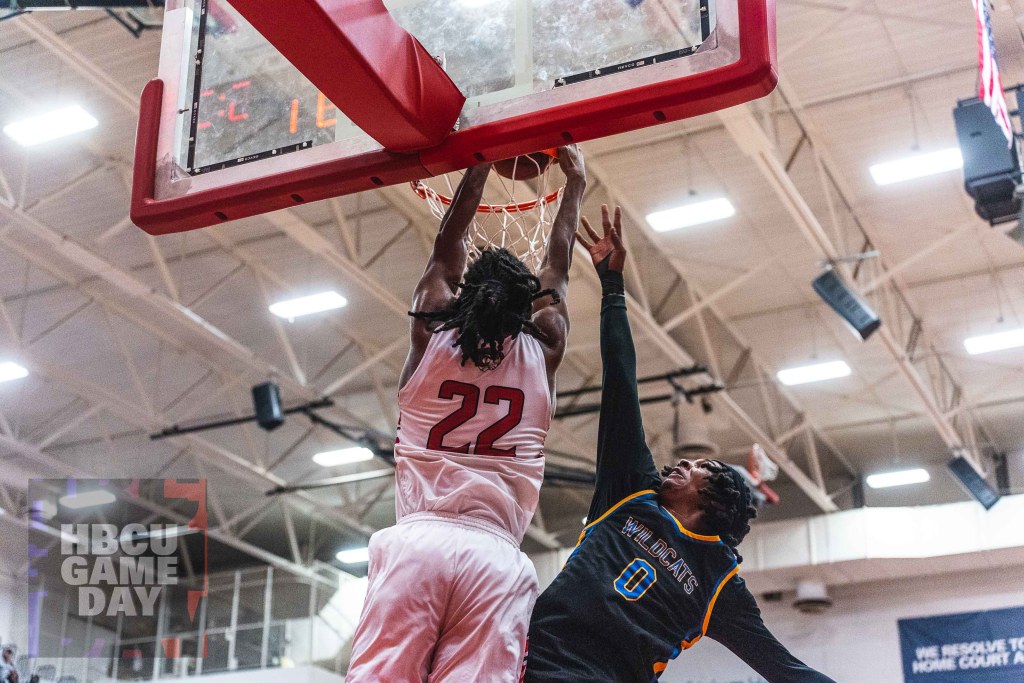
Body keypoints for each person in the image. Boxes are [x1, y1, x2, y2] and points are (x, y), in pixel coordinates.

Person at [524, 205, 836, 683]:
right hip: (525, 662)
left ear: (713, 495)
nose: (682, 461)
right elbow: (621, 382)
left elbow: (784, 668)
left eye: (697, 466)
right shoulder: (630, 488)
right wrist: (611, 286)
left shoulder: (719, 583)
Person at [345, 147, 587, 683]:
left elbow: (445, 251)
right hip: (495, 557)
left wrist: (479, 161)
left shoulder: (431, 330)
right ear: (528, 305)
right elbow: (559, 265)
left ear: (464, 294)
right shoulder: (545, 344)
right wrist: (576, 181)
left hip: (418, 543)